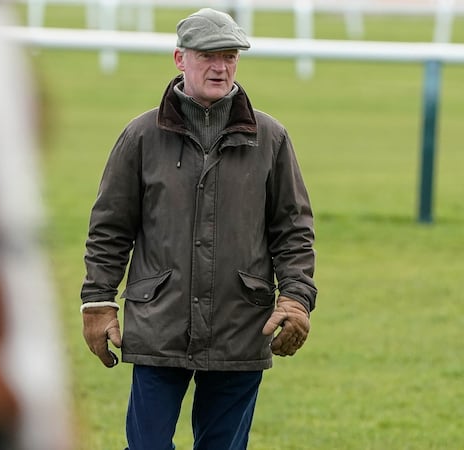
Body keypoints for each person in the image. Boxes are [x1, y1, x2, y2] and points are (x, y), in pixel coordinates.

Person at [79, 8, 318, 450]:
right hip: (159, 324)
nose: (220, 66)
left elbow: (293, 230)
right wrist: (97, 302)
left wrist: (296, 297)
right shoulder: (141, 137)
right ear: (179, 59)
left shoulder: (271, 138)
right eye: (208, 55)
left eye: (229, 56)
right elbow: (110, 229)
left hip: (242, 325)